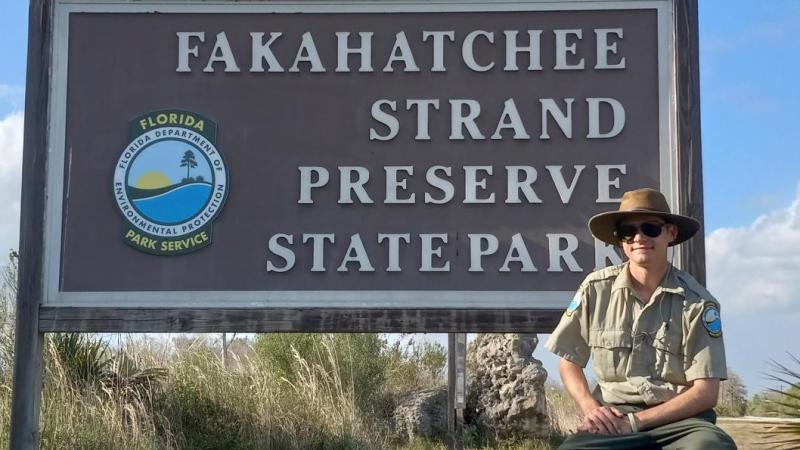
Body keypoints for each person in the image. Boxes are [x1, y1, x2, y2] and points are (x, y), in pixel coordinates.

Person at [544, 188, 737, 449]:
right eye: (628, 231)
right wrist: (592, 410)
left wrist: (636, 422)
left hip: (681, 422)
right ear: (620, 239)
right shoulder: (595, 289)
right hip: (614, 421)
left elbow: (705, 391)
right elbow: (568, 363)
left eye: (650, 228)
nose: (639, 238)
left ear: (671, 233)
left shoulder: (698, 303)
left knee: (710, 446)